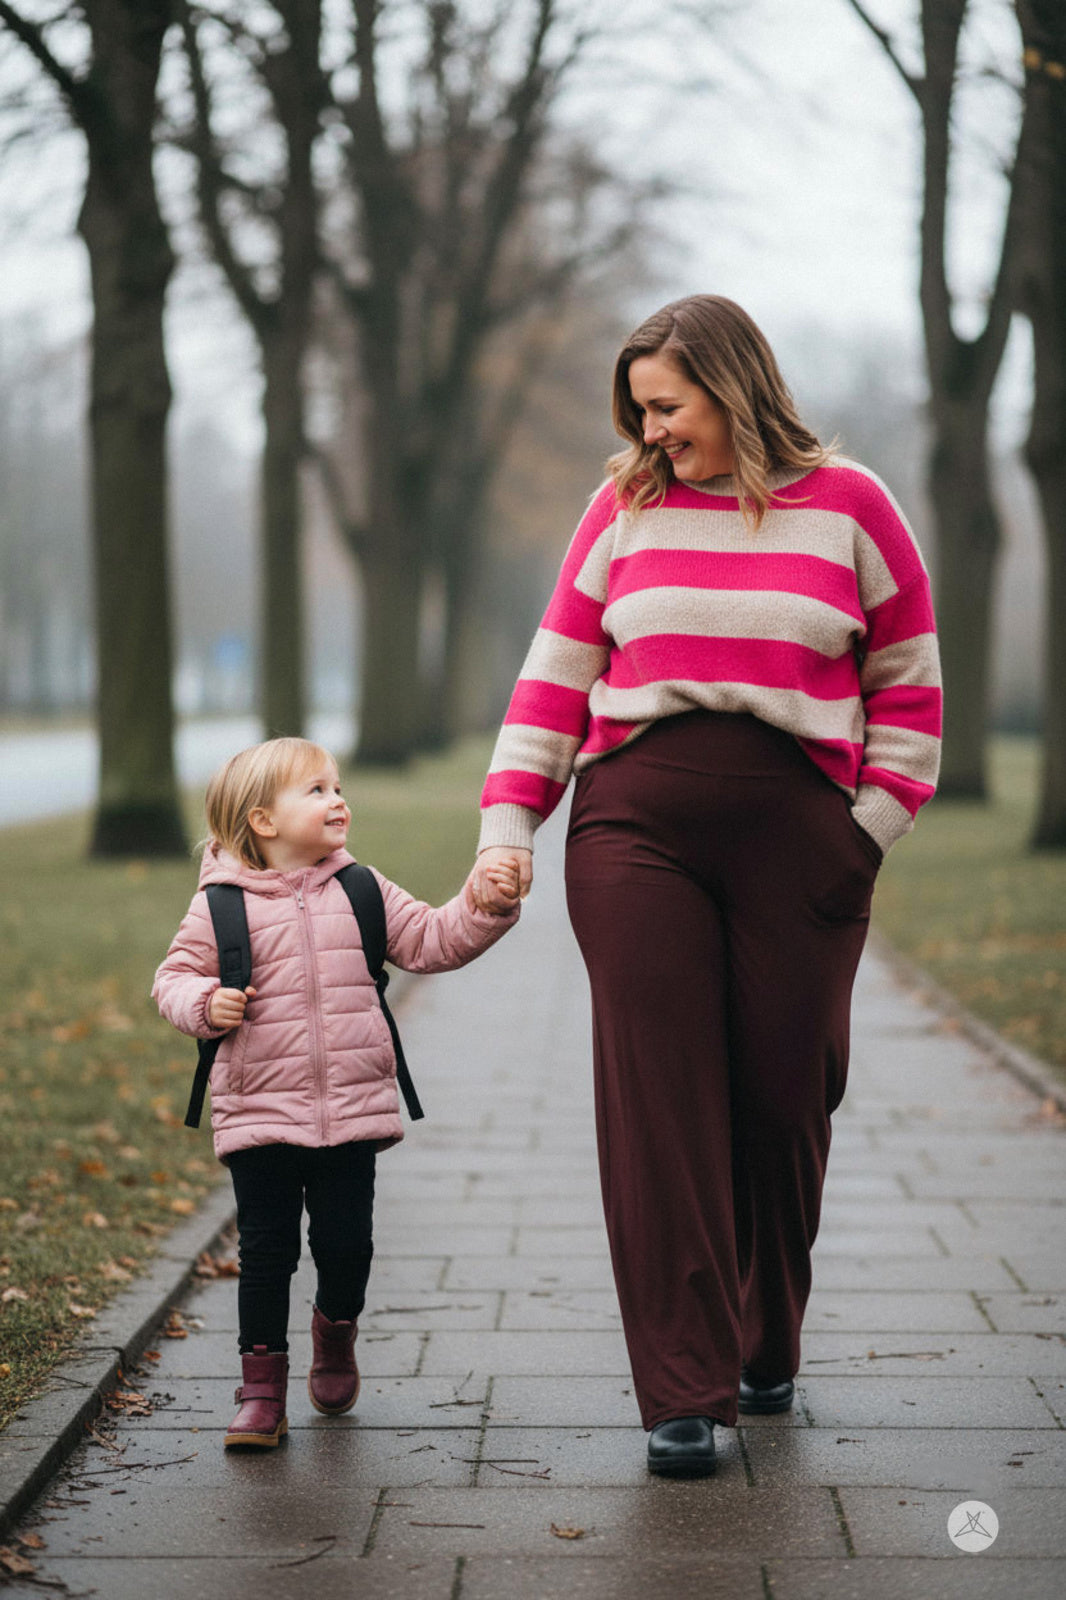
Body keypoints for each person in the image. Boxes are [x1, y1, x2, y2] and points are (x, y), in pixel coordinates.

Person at [471, 295, 941, 1478]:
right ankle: (681, 1390)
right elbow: (555, 677)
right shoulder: (622, 508)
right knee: (659, 1101)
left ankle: (764, 1337)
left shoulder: (852, 507)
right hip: (637, 830)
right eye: (639, 411)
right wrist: (508, 822)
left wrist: (865, 832)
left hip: (803, 838)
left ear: (733, 388)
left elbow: (911, 686)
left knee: (786, 1095)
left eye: (668, 406)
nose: (654, 432)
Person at [153, 737, 520, 1450]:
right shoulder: (219, 907)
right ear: (263, 821)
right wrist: (206, 1004)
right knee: (265, 1253)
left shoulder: (361, 889)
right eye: (316, 791)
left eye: (338, 787)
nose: (337, 800)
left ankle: (334, 1331)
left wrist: (484, 903)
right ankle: (260, 1392)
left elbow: (433, 940)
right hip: (259, 1108)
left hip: (352, 1109)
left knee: (347, 1245)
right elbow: (172, 977)